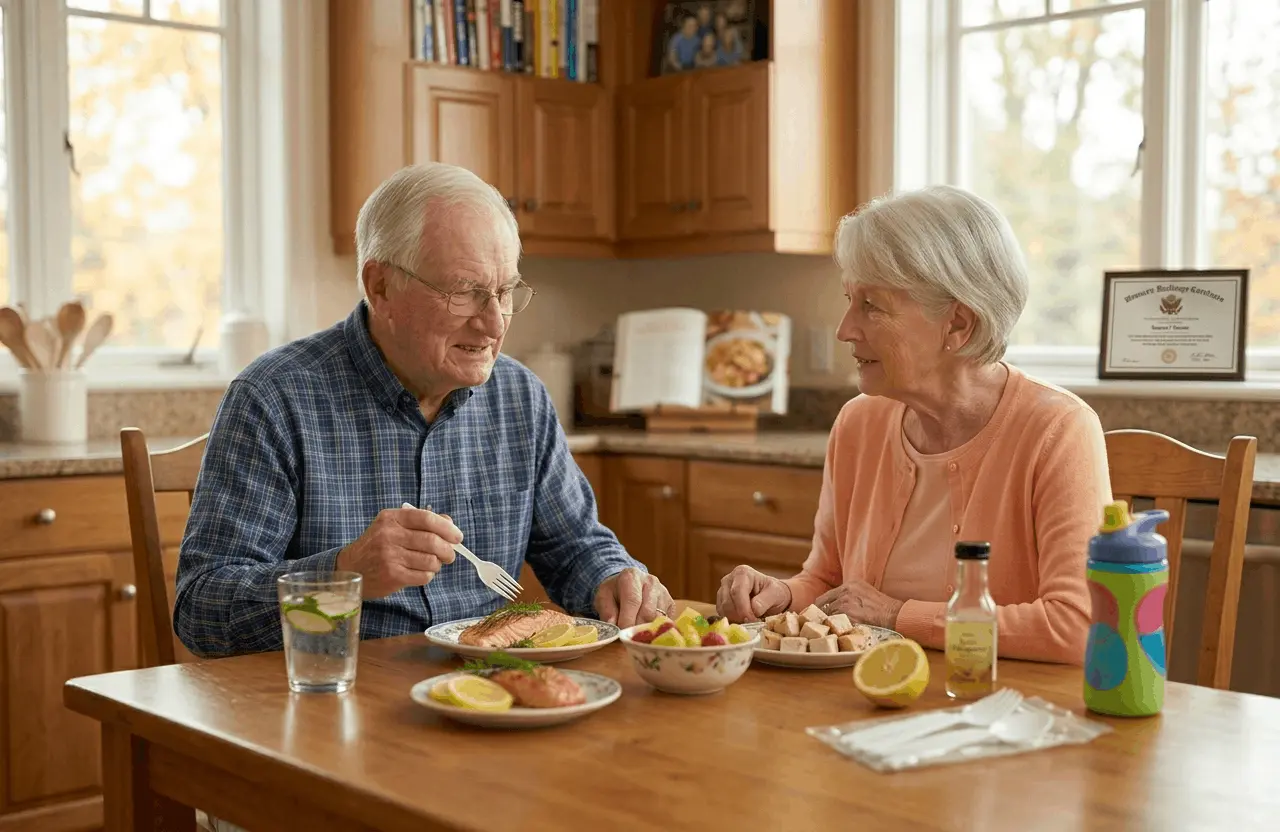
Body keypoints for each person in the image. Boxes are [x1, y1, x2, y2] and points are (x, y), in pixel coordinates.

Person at [175, 163, 673, 658]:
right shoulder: (274, 398)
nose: (495, 323)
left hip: (488, 693)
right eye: (464, 292)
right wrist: (344, 576)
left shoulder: (521, 398)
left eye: (504, 292)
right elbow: (202, 609)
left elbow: (575, 547)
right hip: (332, 704)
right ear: (381, 288)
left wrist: (614, 576)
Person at [716, 186, 1111, 664]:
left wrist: (899, 615)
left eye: (872, 307)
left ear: (958, 324)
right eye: (849, 299)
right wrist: (780, 594)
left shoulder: (1059, 429)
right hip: (874, 692)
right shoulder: (858, 422)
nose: (844, 329)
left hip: (1003, 707)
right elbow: (828, 583)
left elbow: (1075, 625)